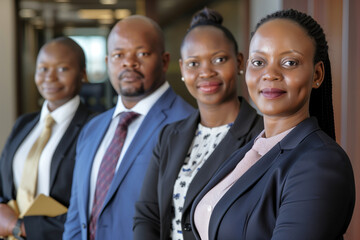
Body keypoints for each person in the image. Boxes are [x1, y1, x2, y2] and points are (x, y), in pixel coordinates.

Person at [190, 9, 355, 240]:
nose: (270, 74)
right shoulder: (249, 151)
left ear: (317, 74)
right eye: (258, 62)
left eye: (289, 62)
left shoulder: (321, 163)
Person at [133, 8, 263, 240]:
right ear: (182, 69)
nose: (206, 72)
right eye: (194, 64)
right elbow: (147, 215)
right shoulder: (169, 135)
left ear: (239, 62)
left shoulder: (262, 135)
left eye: (219, 59)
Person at [62, 15, 195, 240]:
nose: (129, 63)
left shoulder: (188, 124)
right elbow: (76, 218)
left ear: (164, 61)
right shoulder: (92, 129)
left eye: (142, 54)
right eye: (118, 55)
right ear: (107, 63)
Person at [0, 37, 93, 240]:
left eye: (62, 69)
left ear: (83, 74)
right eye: (43, 68)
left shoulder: (95, 126)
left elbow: (93, 205)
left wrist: (19, 227)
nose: (49, 78)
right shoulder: (24, 124)